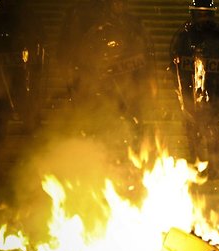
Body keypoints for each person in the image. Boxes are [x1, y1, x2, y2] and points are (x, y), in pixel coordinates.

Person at [58, 0, 156, 146]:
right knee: (100, 137)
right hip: (103, 97)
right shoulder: (93, 29)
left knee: (132, 136)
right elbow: (77, 62)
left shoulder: (134, 27)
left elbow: (147, 62)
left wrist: (146, 89)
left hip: (130, 97)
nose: (119, 5)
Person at [169, 0, 219, 179]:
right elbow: (176, 67)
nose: (203, 18)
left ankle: (215, 168)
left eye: (206, 14)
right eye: (200, 14)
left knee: (211, 131)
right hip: (189, 93)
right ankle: (196, 165)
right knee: (192, 131)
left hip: (212, 93)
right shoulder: (185, 37)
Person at [0, 0, 46, 179]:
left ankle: (39, 162)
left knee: (30, 121)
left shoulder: (28, 19)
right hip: (2, 82)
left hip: (22, 81)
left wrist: (34, 80)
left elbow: (38, 49)